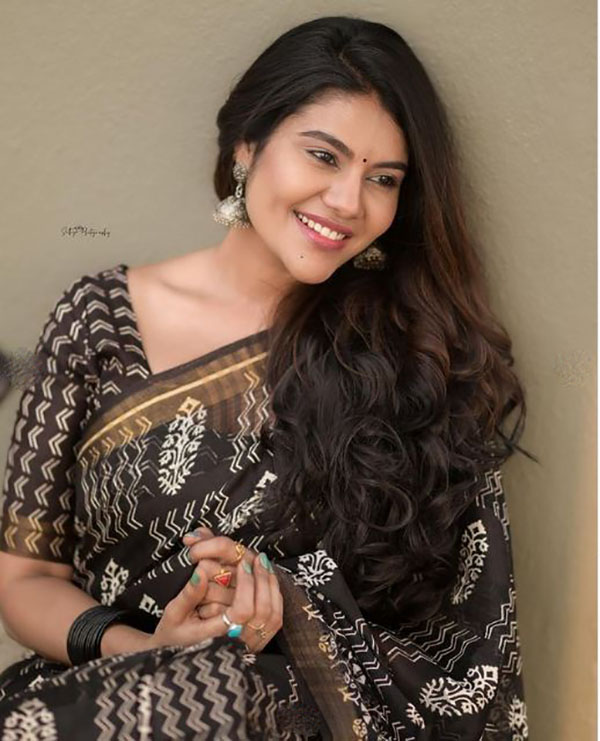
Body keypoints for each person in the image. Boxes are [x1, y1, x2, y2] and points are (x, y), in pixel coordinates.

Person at [0, 15, 535, 740]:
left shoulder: (416, 361)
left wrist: (287, 603)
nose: (348, 201)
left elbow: (460, 650)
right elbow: (26, 580)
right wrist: (151, 654)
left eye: (383, 179)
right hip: (104, 703)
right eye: (323, 156)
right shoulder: (98, 319)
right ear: (247, 145)